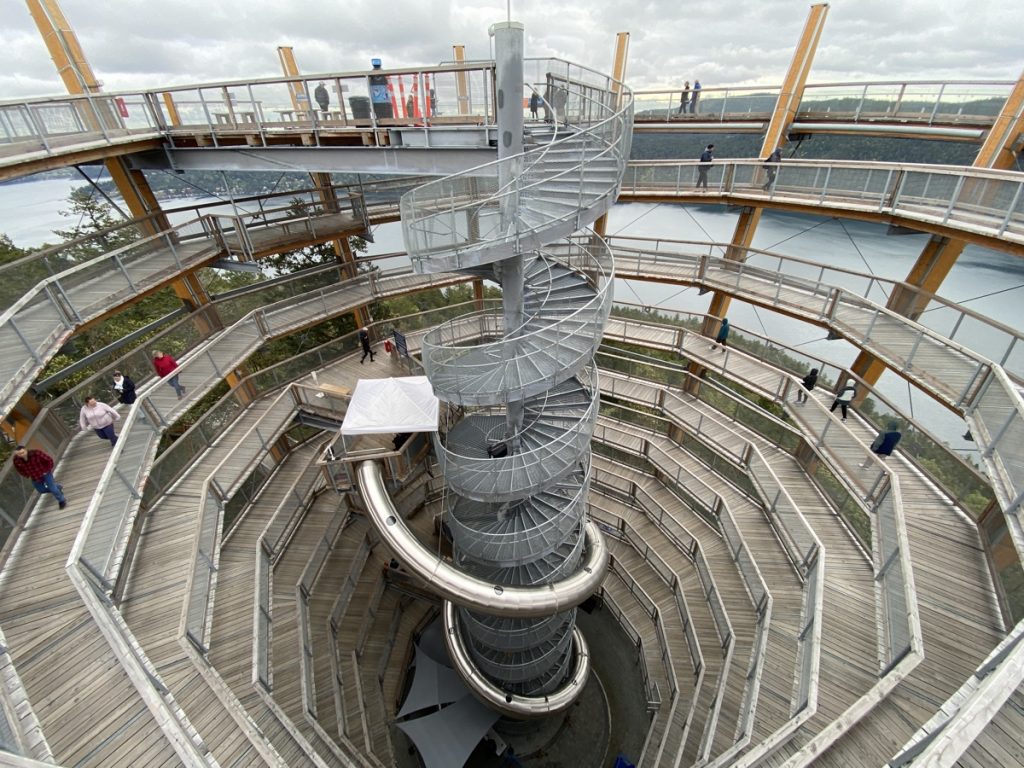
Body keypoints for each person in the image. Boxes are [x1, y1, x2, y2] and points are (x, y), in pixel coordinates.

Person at [12, 445, 66, 510]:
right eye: (19, 454)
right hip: (34, 476)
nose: (21, 455)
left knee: (52, 488)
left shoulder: (36, 453)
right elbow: (18, 469)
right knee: (41, 490)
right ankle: (58, 487)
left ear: (26, 450)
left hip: (45, 473)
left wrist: (46, 470)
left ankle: (61, 500)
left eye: (22, 452)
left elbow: (49, 460)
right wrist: (26, 475)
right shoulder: (16, 460)